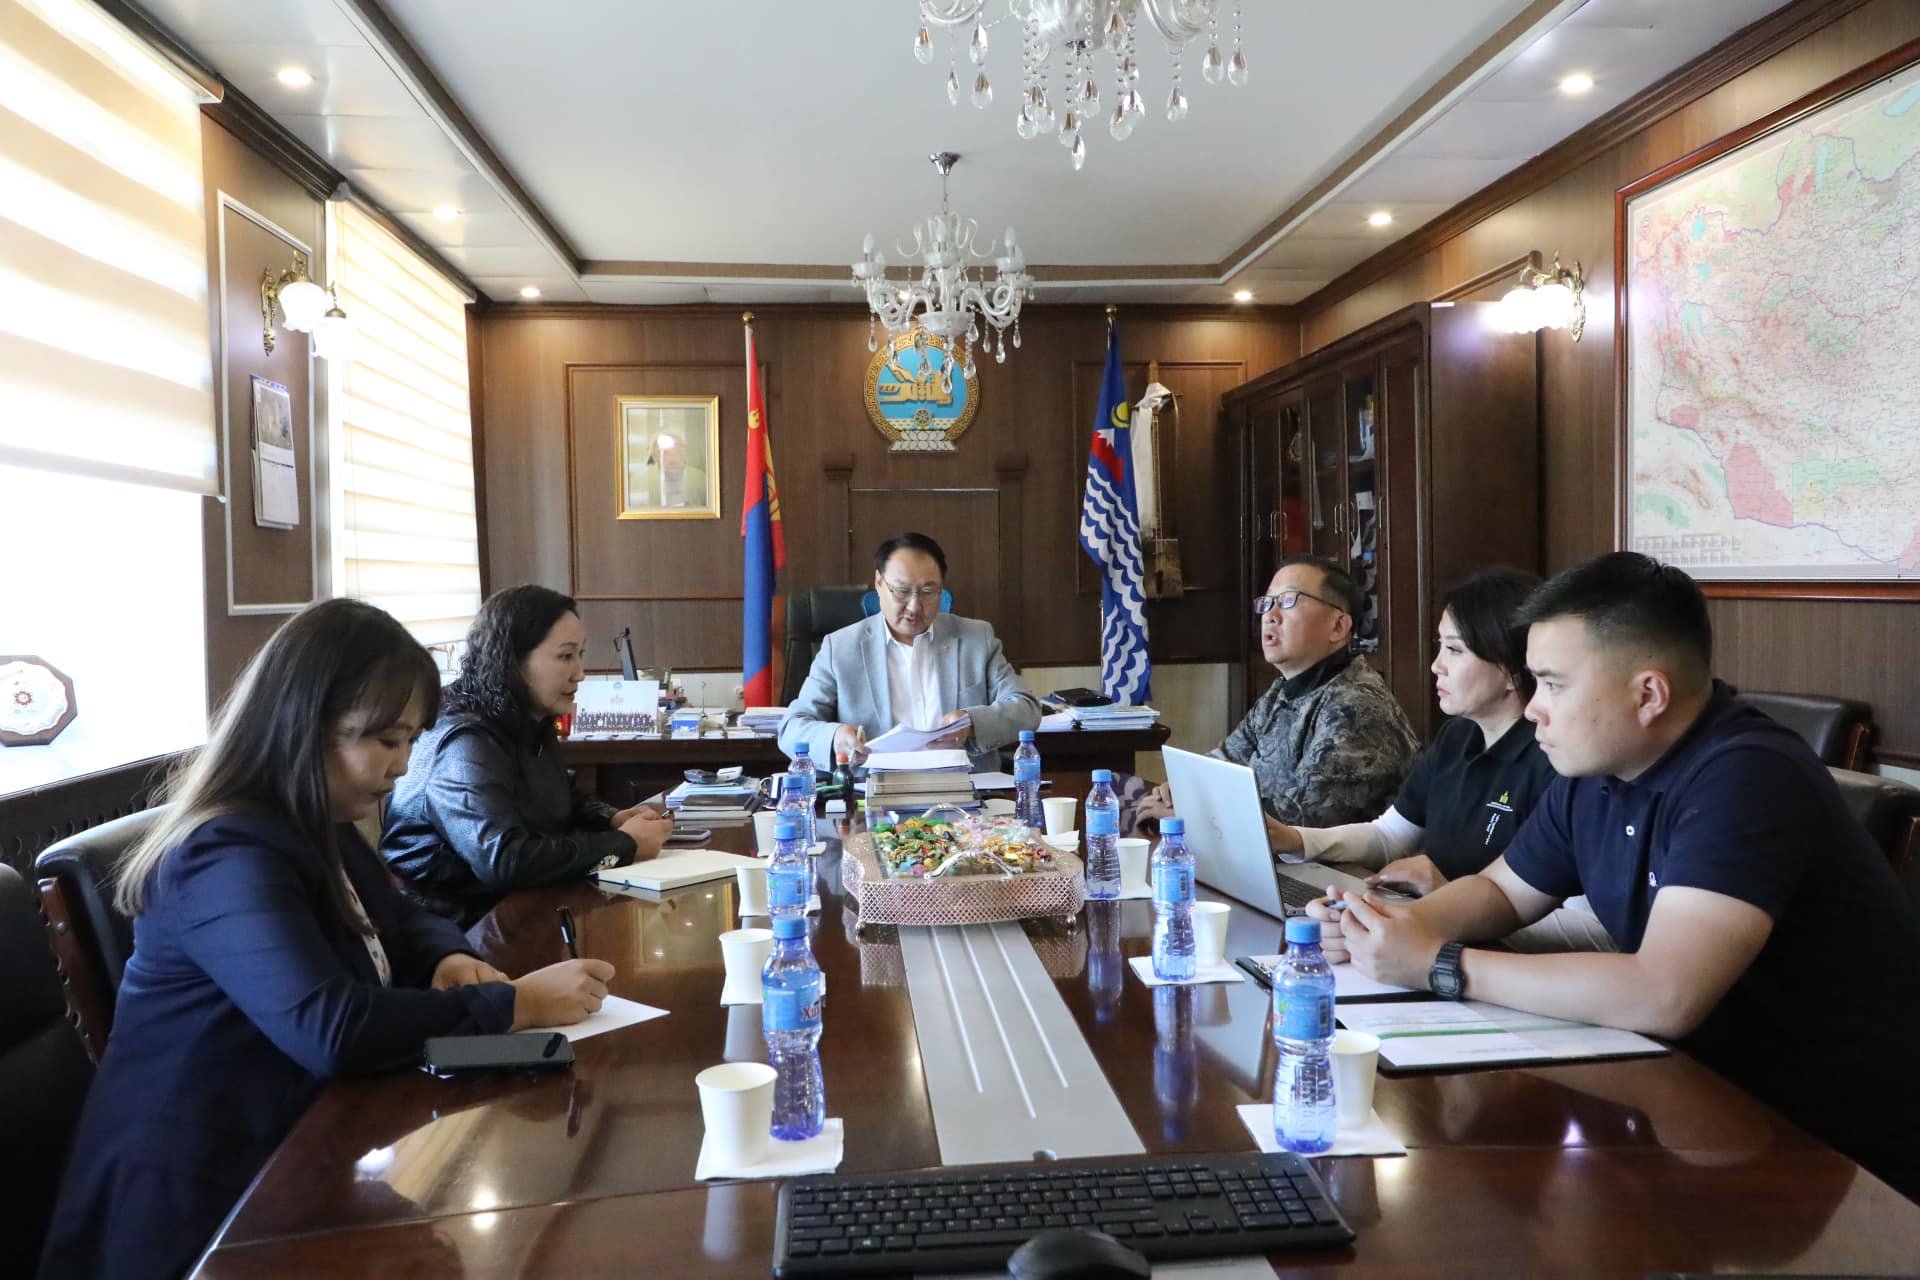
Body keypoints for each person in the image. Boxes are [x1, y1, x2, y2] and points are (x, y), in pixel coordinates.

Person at [1311, 552, 1920, 1202]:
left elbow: (1664, 994)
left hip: (1836, 1148)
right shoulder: (1599, 769)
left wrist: (1438, 964)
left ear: (1648, 695)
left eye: (1553, 685)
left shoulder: (1746, 777)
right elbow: (1500, 890)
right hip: (1693, 1100)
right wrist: (1385, 928)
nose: (1534, 709)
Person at [40, 599, 614, 1280]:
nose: (401, 766)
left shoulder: (315, 821)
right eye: (386, 741)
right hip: (195, 1208)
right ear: (304, 726)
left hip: (299, 1152)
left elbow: (402, 917)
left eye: (410, 741)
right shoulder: (223, 853)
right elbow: (331, 1027)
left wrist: (449, 955)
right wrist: (515, 1005)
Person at [1272, 566, 1612, 952]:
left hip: (1488, 957)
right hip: (1433, 939)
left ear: (1512, 669)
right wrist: (1295, 839)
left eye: (1454, 650)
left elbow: (1591, 928)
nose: (1436, 665)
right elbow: (1389, 836)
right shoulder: (1458, 735)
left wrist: (1445, 908)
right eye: (1440, 646)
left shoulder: (1558, 760)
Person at [384, 585, 673, 924]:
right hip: (458, 930)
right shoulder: (464, 741)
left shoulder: (527, 714)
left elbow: (561, 794)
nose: (580, 673)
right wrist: (625, 844)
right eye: (565, 656)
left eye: (580, 654)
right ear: (512, 662)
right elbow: (503, 860)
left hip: (521, 909)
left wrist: (612, 818)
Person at [1136, 554, 1416, 833]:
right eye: (1267, 603)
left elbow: (1304, 817)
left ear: (1338, 626)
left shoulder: (1357, 706)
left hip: (1335, 861)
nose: (1270, 616)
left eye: (1288, 601)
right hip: (1262, 850)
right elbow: (1226, 761)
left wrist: (1193, 811)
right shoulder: (1282, 691)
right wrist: (1181, 790)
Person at [779, 532, 1040, 771]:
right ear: (879, 583)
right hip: (875, 793)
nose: (914, 607)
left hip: (964, 790)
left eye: (928, 592)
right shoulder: (840, 648)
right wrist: (835, 737)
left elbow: (1026, 708)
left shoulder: (976, 638)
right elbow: (792, 727)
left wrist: (971, 723)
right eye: (902, 592)